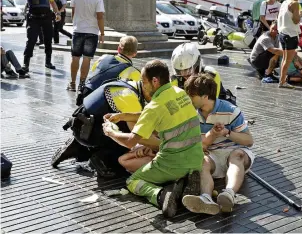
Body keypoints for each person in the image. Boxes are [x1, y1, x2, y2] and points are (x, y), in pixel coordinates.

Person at [103, 60, 204, 218]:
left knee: (132, 181)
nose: (142, 86)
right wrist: (122, 116)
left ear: (154, 81)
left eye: (143, 81)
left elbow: (130, 141)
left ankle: (161, 195)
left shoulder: (154, 106)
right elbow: (155, 114)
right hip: (197, 159)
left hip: (172, 163)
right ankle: (184, 181)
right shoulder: (179, 92)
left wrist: (110, 132)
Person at [51, 79, 159, 177]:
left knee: (120, 122)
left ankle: (78, 147)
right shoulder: (130, 98)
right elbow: (136, 135)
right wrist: (163, 146)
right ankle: (102, 158)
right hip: (90, 132)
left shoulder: (129, 84)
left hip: (81, 124)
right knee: (126, 137)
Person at [182, 74, 254, 215]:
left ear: (205, 96)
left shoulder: (231, 110)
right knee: (201, 161)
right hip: (212, 153)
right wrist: (213, 134)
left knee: (237, 155)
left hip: (233, 150)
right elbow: (201, 145)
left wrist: (227, 133)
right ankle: (206, 198)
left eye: (192, 96)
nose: (188, 99)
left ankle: (229, 193)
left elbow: (249, 141)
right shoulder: (191, 114)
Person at [76, 36, 140, 105]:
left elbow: (94, 70)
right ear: (135, 53)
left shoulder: (104, 57)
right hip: (104, 102)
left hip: (87, 95)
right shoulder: (133, 71)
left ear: (118, 49)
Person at [68, 0, 105, 92]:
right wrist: (102, 33)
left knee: (75, 57)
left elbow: (73, 13)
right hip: (92, 32)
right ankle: (82, 84)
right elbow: (100, 16)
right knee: (87, 59)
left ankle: (72, 83)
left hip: (78, 30)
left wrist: (76, 24)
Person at [22, 0, 61, 73]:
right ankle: (26, 64)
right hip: (33, 18)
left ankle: (48, 62)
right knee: (31, 40)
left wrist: (57, 13)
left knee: (48, 40)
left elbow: (52, 2)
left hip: (46, 17)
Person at [277, 0, 302, 89]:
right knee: (288, 61)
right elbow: (296, 20)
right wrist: (301, 13)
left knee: (284, 59)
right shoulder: (295, 4)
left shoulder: (285, 2)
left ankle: (282, 80)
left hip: (283, 33)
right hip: (291, 34)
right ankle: (282, 81)